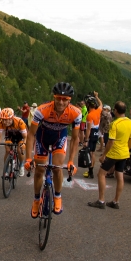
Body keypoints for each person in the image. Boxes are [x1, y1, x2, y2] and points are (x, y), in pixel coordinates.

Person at [24, 82, 81, 218]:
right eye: (58, 98)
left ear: (69, 100)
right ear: (53, 97)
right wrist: (28, 158)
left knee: (57, 168)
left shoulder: (76, 113)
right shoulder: (42, 110)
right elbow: (31, 134)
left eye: (65, 99)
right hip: (42, 137)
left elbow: (75, 139)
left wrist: (71, 161)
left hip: (59, 138)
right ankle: (37, 200)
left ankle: (57, 196)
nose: (61, 102)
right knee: (39, 170)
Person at [88, 101, 131, 210]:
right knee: (120, 176)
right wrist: (127, 149)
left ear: (116, 111)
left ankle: (101, 200)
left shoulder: (115, 124)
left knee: (101, 174)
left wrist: (104, 155)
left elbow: (110, 142)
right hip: (124, 153)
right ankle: (116, 201)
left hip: (114, 153)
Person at [0, 108, 27, 176]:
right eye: (4, 120)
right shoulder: (0, 123)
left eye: (8, 119)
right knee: (7, 149)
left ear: (12, 117)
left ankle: (21, 165)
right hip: (10, 136)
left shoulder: (19, 121)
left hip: (20, 136)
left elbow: (25, 137)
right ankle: (5, 169)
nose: (6, 122)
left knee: (19, 149)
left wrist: (23, 143)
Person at [82, 93, 102, 179]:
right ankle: (91, 170)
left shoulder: (89, 115)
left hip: (92, 132)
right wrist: (97, 96)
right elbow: (101, 104)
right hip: (96, 132)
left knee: (89, 153)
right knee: (92, 153)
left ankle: (90, 172)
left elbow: (88, 129)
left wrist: (86, 140)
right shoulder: (98, 111)